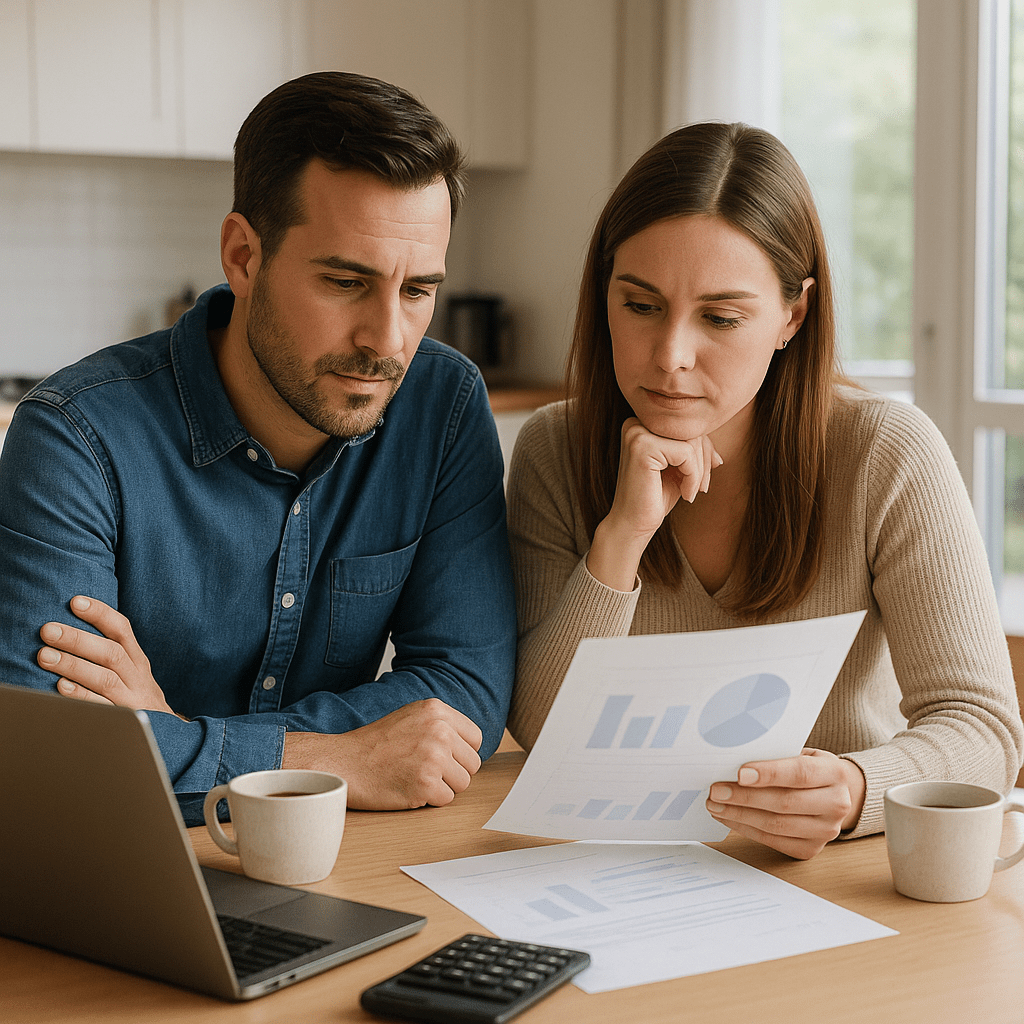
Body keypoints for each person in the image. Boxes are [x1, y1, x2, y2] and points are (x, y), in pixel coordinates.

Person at [0, 72, 516, 826]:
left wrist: (170, 737)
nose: (388, 340)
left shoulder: (442, 406)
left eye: (417, 291)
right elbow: (50, 749)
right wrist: (332, 760)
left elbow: (465, 690)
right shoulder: (76, 436)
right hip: (130, 866)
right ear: (243, 256)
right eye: (346, 281)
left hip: (335, 862)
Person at [506, 121, 1024, 860]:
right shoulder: (554, 448)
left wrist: (852, 789)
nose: (670, 357)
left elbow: (982, 729)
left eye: (720, 317)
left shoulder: (886, 453)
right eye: (641, 305)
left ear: (792, 315)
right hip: (624, 864)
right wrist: (620, 537)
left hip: (837, 873)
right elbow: (541, 729)